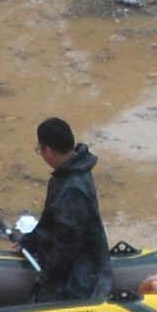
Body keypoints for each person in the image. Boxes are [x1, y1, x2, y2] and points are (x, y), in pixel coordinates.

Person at [25, 116, 111, 302]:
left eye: (40, 149)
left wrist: (47, 276)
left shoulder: (72, 189)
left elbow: (67, 245)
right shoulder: (68, 174)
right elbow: (50, 222)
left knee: (40, 299)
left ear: (48, 150)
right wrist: (30, 240)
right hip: (77, 258)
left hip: (83, 274)